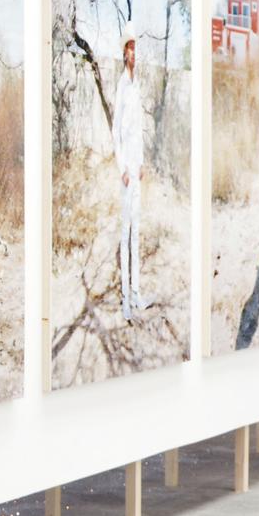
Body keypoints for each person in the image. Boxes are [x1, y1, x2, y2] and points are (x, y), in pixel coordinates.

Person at [114, 21, 147, 320]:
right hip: (126, 171)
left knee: (137, 230)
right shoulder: (122, 85)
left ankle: (137, 292)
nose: (134, 53)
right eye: (130, 48)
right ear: (124, 52)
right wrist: (122, 167)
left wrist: (141, 162)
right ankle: (125, 298)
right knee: (125, 232)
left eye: (136, 47)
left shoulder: (137, 85)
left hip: (137, 168)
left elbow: (138, 128)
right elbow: (117, 131)